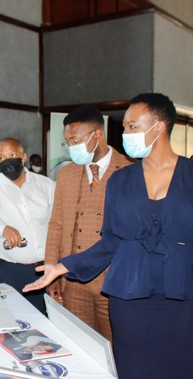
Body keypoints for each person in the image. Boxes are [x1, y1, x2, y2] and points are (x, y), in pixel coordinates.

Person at [23, 93, 193, 379]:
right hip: (131, 297)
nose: (125, 134)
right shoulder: (121, 180)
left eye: (131, 126)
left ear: (159, 126)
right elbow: (112, 240)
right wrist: (63, 266)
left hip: (184, 297)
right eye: (124, 127)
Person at [45, 105, 133, 341]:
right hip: (73, 281)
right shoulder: (67, 174)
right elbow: (57, 224)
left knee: (117, 346)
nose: (71, 147)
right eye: (68, 142)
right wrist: (52, 271)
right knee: (81, 343)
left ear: (97, 134)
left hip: (114, 282)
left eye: (75, 140)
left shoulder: (129, 171)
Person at [0, 138, 55, 314]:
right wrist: (1, 229)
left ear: (23, 157)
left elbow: (60, 222)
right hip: (13, 272)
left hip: (49, 269)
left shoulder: (46, 185)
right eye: (1, 157)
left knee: (52, 323)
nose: (7, 160)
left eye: (12, 155)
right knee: (17, 322)